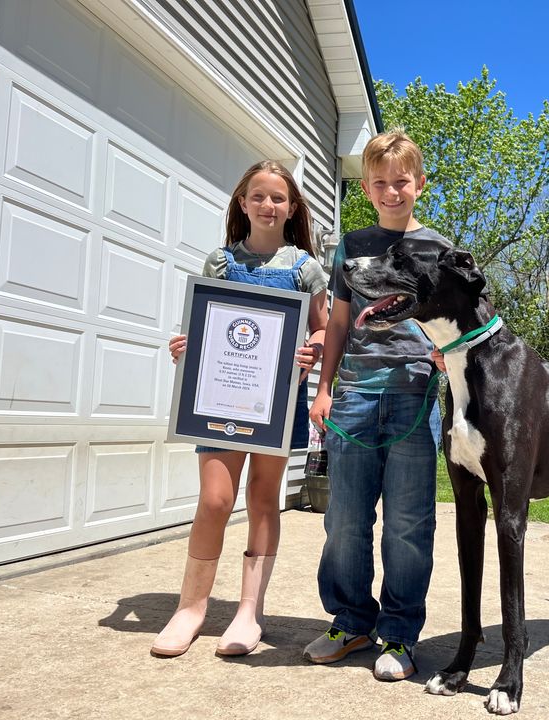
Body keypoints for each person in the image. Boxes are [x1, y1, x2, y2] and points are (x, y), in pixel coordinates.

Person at [151, 161, 329, 657]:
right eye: (258, 196)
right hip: (220, 399)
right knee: (214, 500)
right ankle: (190, 608)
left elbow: (321, 327)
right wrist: (187, 347)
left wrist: (312, 350)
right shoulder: (221, 262)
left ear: (291, 208)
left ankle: (250, 611)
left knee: (263, 497)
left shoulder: (305, 268)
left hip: (276, 402)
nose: (268, 205)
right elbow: (205, 324)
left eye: (278, 198)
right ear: (242, 203)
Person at [305, 130, 446, 681]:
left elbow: (454, 321)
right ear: (366, 188)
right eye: (381, 183)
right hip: (355, 396)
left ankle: (400, 634)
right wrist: (324, 390)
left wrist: (446, 353)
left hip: (415, 396)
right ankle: (351, 622)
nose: (392, 192)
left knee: (408, 524)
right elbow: (338, 324)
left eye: (401, 181)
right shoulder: (352, 246)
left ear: (420, 183)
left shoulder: (437, 249)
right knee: (345, 519)